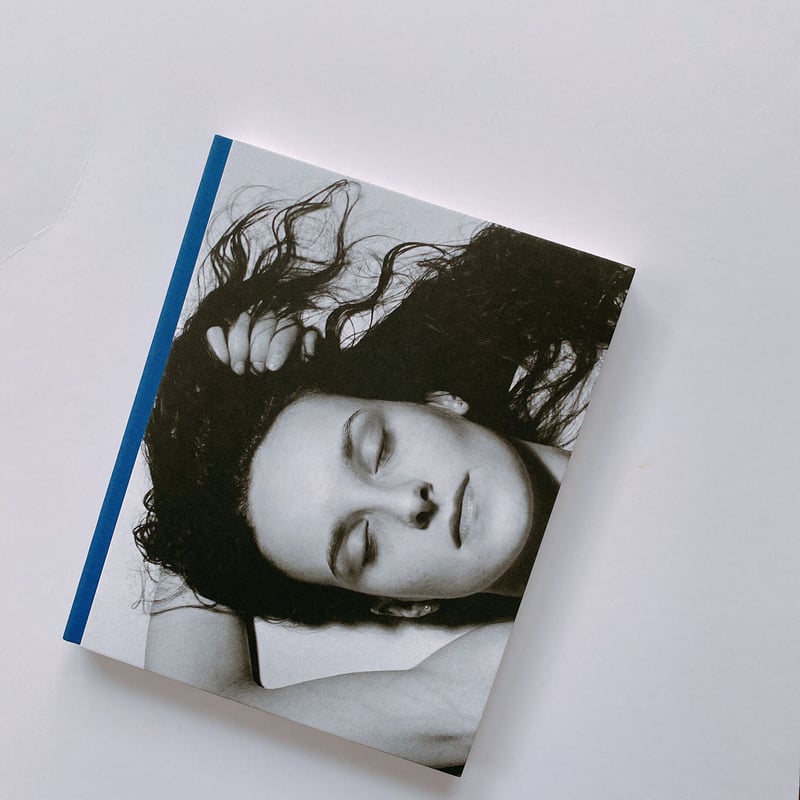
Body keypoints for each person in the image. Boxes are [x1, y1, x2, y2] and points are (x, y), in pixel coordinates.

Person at [136, 180, 633, 768]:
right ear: (401, 605)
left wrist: (216, 398)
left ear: (440, 401)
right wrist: (197, 526)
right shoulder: (527, 681)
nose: (408, 504)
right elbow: (193, 722)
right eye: (363, 545)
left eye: (379, 449)